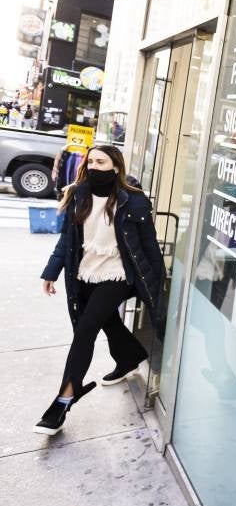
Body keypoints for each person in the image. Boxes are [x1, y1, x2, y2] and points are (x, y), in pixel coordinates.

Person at [34, 145, 165, 435]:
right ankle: (130, 356)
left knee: (85, 329)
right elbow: (66, 240)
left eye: (101, 161)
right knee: (106, 320)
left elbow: (149, 246)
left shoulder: (134, 201)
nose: (94, 166)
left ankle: (65, 397)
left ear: (116, 167)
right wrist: (51, 271)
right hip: (84, 274)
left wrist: (159, 283)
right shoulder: (78, 194)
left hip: (118, 275)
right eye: (90, 161)